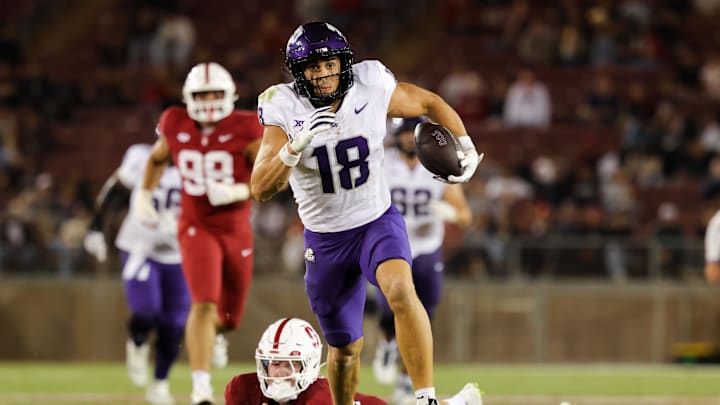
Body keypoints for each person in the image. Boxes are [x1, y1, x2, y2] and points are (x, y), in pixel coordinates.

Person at [251, 22, 482, 405]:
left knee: (401, 291)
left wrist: (467, 145)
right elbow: (260, 188)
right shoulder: (283, 106)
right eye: (313, 67)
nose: (324, 73)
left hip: (376, 220)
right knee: (343, 349)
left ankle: (425, 398)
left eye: (330, 63)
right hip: (325, 237)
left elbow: (429, 103)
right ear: (298, 72)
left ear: (345, 61)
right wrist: (294, 145)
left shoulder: (370, 84)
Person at [131, 62, 263, 405]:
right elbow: (158, 158)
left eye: (215, 94)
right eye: (202, 94)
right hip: (196, 225)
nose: (208, 101)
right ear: (188, 97)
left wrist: (239, 191)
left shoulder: (247, 126)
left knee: (230, 318)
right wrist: (145, 194)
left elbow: (269, 177)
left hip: (235, 228)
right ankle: (201, 389)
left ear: (230, 95)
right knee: (203, 303)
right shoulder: (174, 121)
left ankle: (218, 336)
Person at [373, 118, 473, 404]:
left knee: (423, 318)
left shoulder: (438, 165)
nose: (407, 139)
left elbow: (466, 216)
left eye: (412, 134)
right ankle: (387, 344)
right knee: (388, 309)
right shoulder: (383, 163)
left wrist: (450, 213)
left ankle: (406, 380)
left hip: (427, 248)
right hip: (392, 245)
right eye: (404, 133)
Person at [84, 143, 189, 405]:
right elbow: (116, 192)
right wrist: (96, 227)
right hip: (140, 248)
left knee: (175, 325)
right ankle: (138, 340)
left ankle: (160, 383)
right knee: (145, 311)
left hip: (181, 254)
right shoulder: (141, 157)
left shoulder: (202, 161)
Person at [224, 318, 482, 405]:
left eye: (288, 364)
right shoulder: (242, 389)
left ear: (310, 365)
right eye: (273, 363)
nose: (277, 373)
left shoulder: (320, 399)